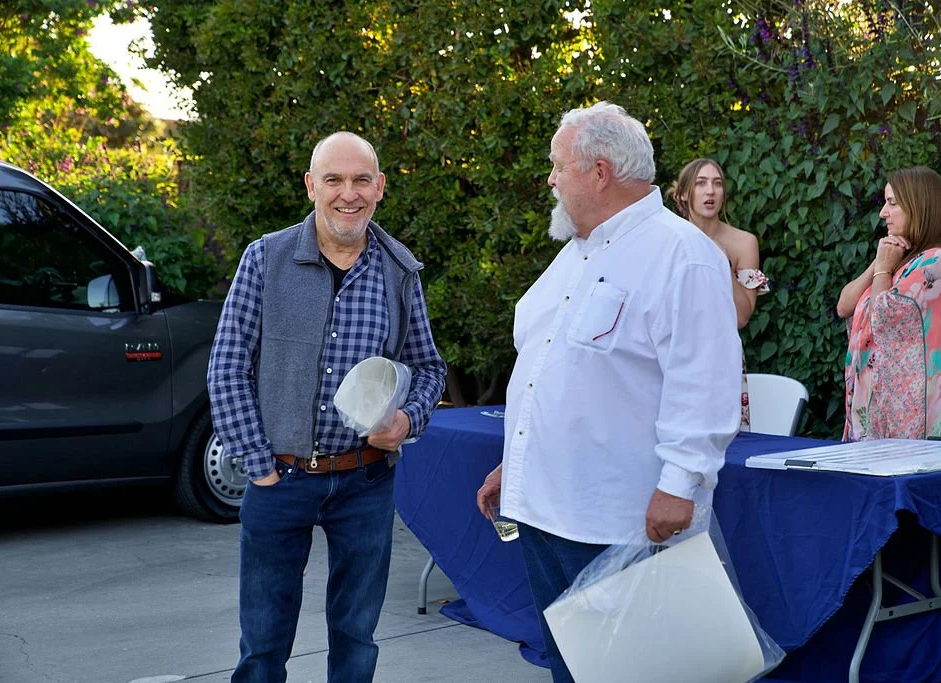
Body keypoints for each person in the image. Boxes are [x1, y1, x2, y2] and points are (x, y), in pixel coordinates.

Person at [475, 102, 743, 683]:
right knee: (573, 669)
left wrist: (679, 486)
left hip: (616, 521)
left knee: (631, 673)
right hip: (546, 511)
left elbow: (705, 381)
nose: (550, 179)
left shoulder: (683, 255)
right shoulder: (577, 253)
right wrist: (513, 465)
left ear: (599, 172)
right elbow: (550, 367)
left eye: (556, 166)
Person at [207, 131, 446, 683]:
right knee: (263, 645)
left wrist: (408, 419)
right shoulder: (265, 259)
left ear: (380, 188)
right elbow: (226, 366)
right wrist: (258, 465)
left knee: (356, 638)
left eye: (362, 180)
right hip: (280, 480)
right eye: (334, 180)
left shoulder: (399, 273)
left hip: (364, 483)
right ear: (311, 185)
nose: (348, 193)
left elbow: (429, 368)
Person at [837, 166, 941, 441]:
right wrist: (879, 264)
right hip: (881, 412)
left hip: (921, 426)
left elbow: (882, 321)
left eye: (892, 203)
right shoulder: (900, 261)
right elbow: (844, 307)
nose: (882, 213)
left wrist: (884, 269)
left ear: (919, 206)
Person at [668, 158, 770, 430]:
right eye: (700, 184)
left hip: (720, 359)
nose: (710, 191)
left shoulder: (743, 242)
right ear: (683, 194)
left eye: (717, 184)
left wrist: (720, 263)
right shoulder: (668, 241)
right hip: (672, 357)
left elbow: (741, 317)